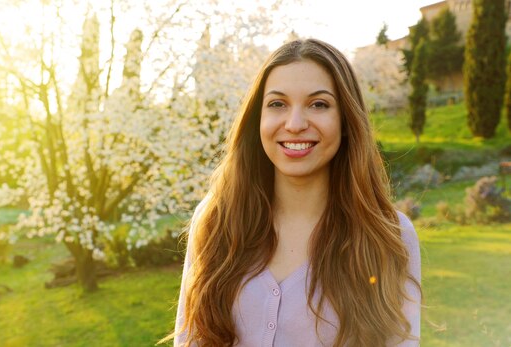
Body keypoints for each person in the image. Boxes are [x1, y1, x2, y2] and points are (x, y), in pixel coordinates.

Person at [171, 38, 421, 346]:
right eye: (277, 104)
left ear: (345, 121)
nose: (295, 123)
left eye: (319, 104)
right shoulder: (215, 220)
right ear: (257, 119)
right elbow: (190, 339)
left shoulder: (390, 235)